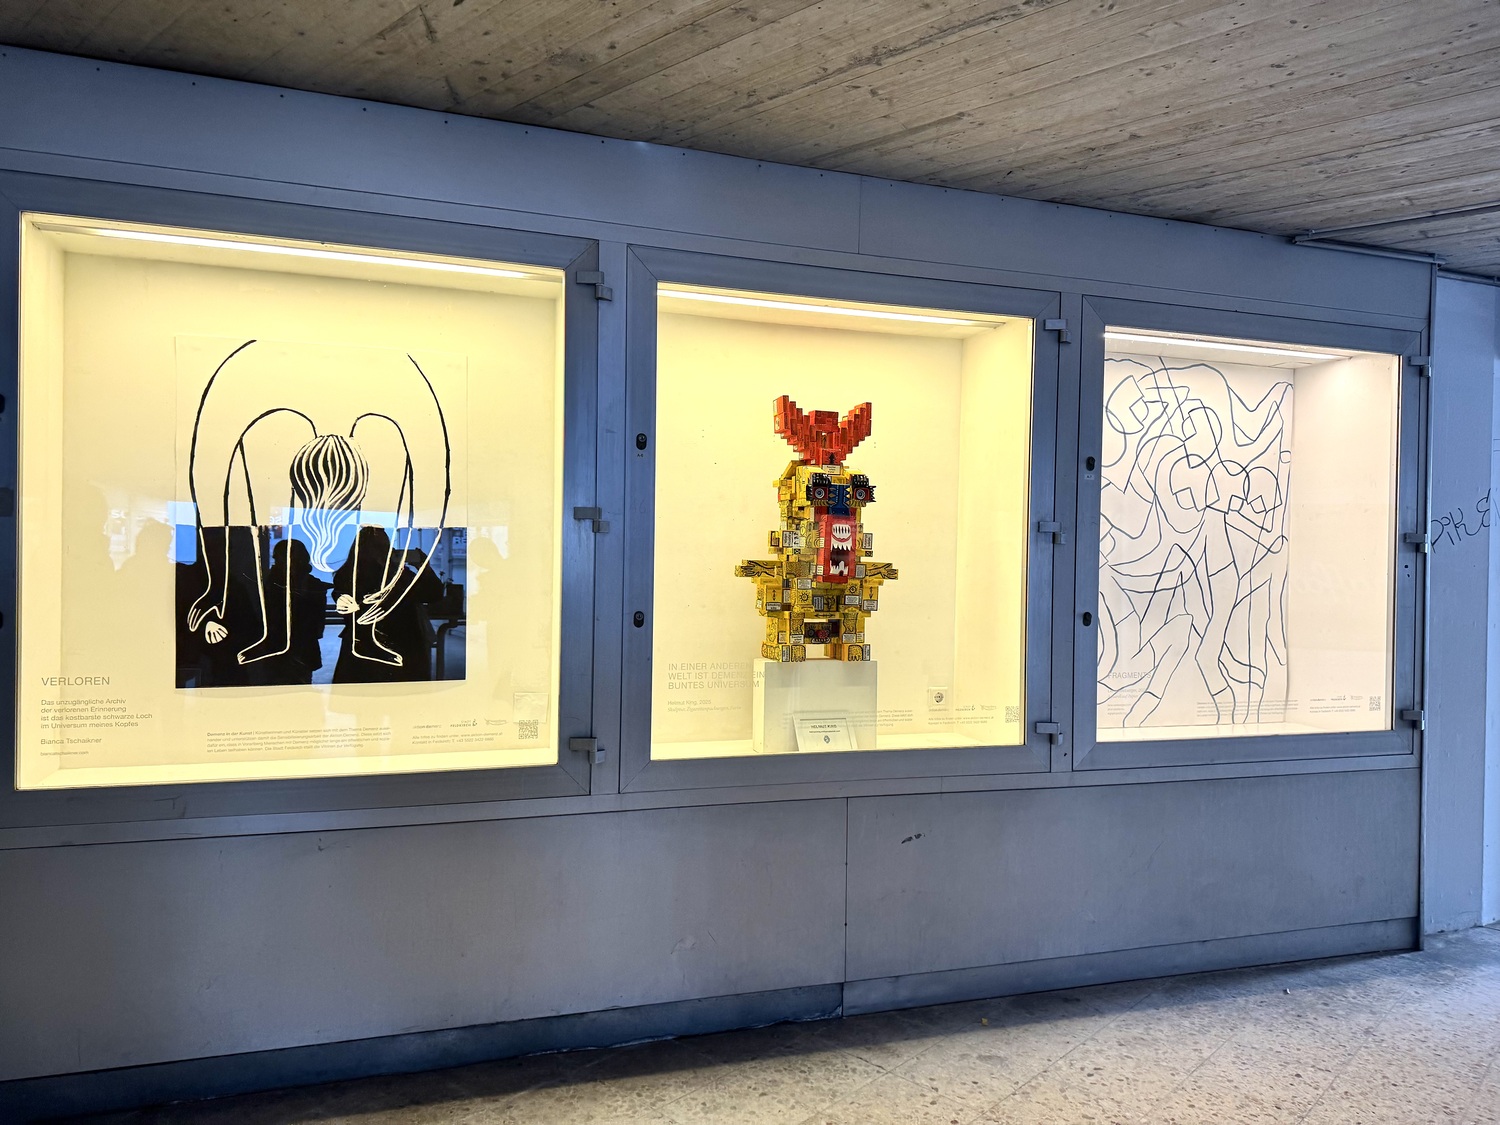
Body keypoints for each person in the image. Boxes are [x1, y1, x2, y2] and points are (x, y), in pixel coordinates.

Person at [331, 527, 442, 682]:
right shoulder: (398, 576)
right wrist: (424, 568)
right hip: (402, 640)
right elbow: (433, 594)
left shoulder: (347, 574)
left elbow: (342, 597)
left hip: (362, 643)